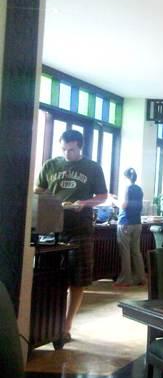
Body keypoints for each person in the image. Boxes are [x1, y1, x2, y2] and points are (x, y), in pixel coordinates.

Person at [35, 130, 108, 341]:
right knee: (47, 275)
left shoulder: (93, 167)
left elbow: (102, 196)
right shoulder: (50, 165)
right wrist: (48, 199)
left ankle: (66, 326)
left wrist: (85, 203)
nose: (67, 154)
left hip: (80, 228)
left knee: (78, 278)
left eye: (72, 150)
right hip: (51, 227)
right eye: (64, 149)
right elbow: (38, 190)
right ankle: (46, 324)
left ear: (80, 147)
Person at [113, 168, 145, 288]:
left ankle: (125, 280)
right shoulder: (139, 189)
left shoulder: (126, 188)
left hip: (125, 222)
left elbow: (124, 205)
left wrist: (113, 200)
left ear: (125, 177)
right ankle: (141, 278)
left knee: (125, 251)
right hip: (137, 223)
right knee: (136, 251)